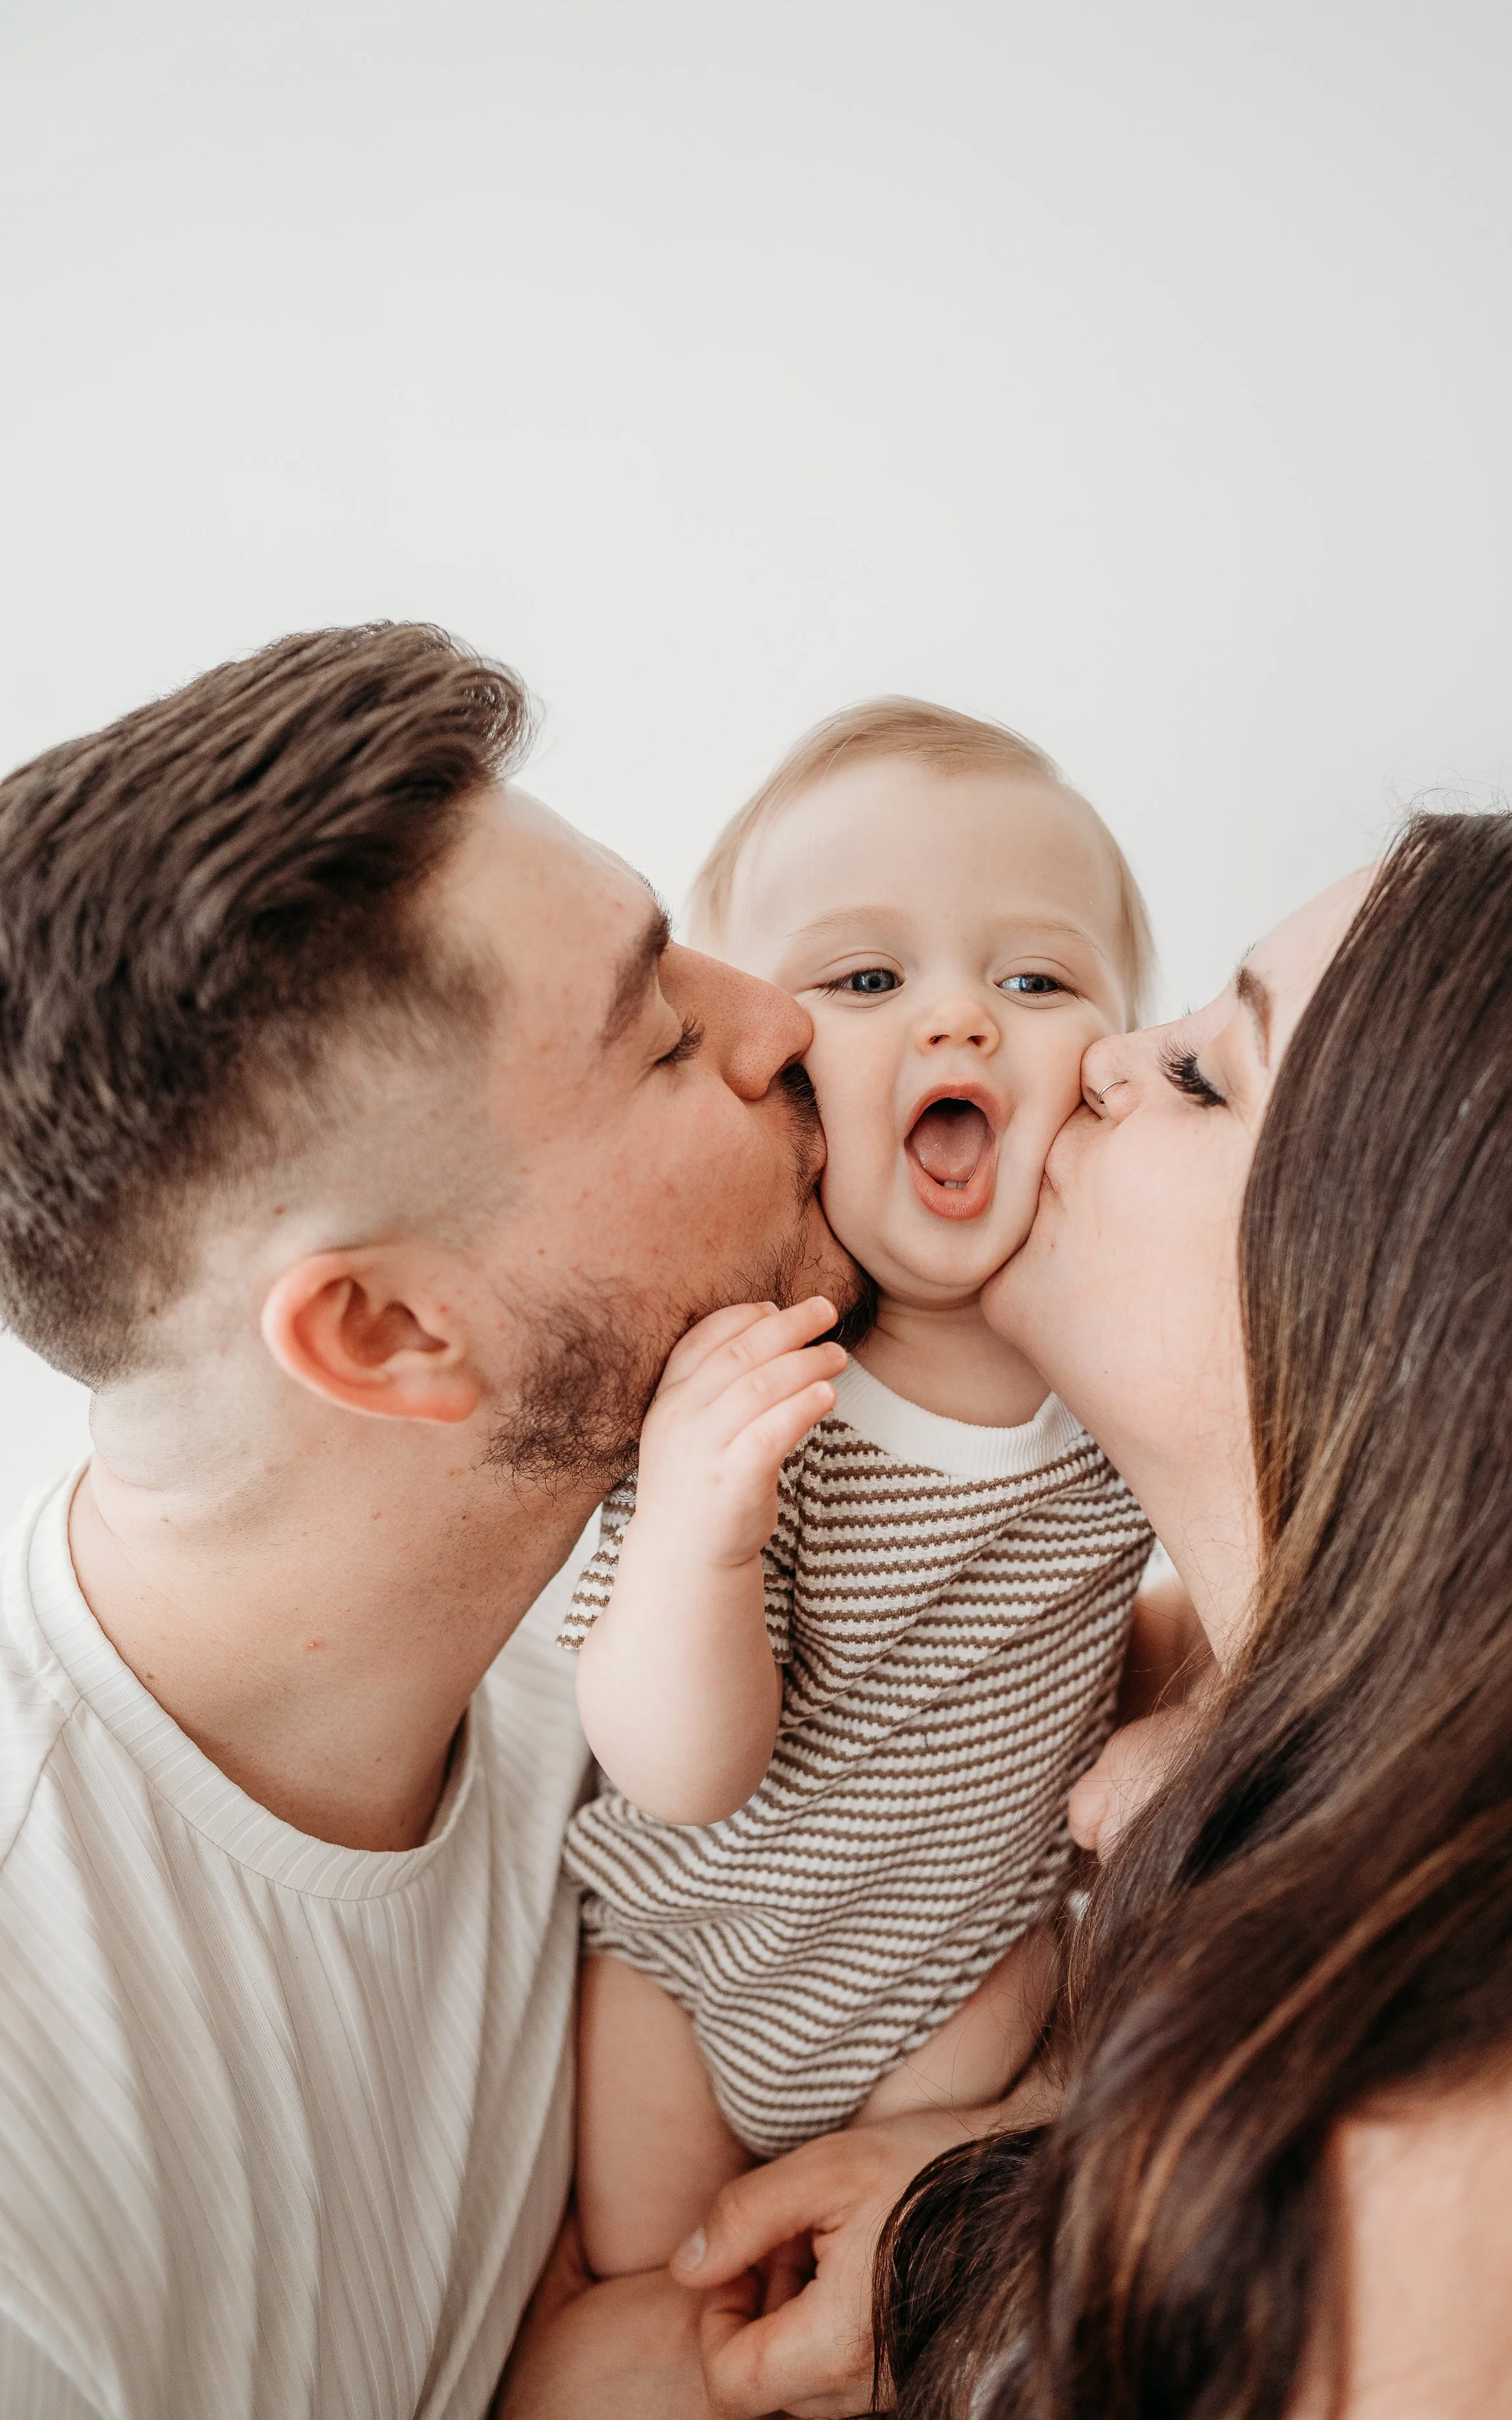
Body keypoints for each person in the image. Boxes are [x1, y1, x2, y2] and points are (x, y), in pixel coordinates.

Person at [0, 620, 882, 2419]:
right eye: (659, 1036)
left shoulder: (646, 1627)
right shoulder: (39, 2132)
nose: (779, 1019)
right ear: (391, 1334)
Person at [870, 810, 1512, 2417]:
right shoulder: (1128, 1691)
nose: (1102, 1061)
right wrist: (995, 2208)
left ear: (1421, 1305)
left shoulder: (1481, 2160)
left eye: (1208, 1074)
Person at [557, 699, 1157, 2278]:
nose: (959, 1023)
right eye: (868, 979)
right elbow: (673, 1769)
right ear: (770, 1065)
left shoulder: (1126, 1396)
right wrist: (695, 1537)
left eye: (1032, 980)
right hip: (690, 1975)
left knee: (876, 2310)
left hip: (960, 1985)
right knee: (665, 2298)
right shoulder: (756, 1386)